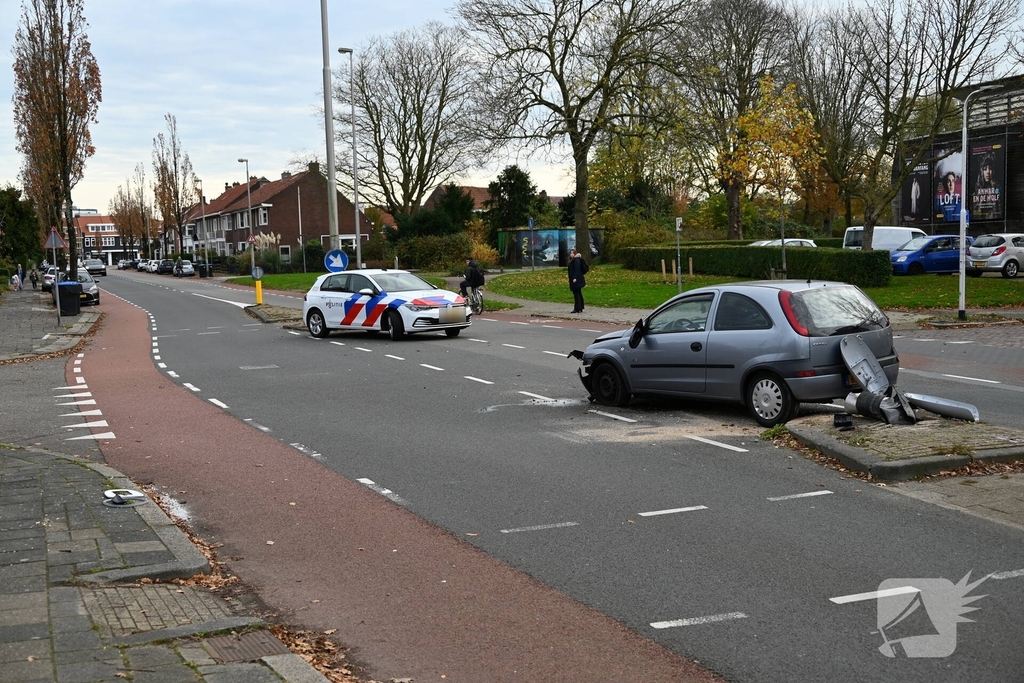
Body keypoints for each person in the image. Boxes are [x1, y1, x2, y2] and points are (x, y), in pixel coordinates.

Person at [568, 249, 587, 314]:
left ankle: (577, 308)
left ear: (575, 254)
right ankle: (580, 307)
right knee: (578, 293)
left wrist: (575, 278)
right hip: (578, 279)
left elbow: (577, 270)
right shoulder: (575, 260)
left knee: (576, 294)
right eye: (571, 253)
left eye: (572, 253)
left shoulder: (576, 261)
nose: (571, 255)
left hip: (576, 279)